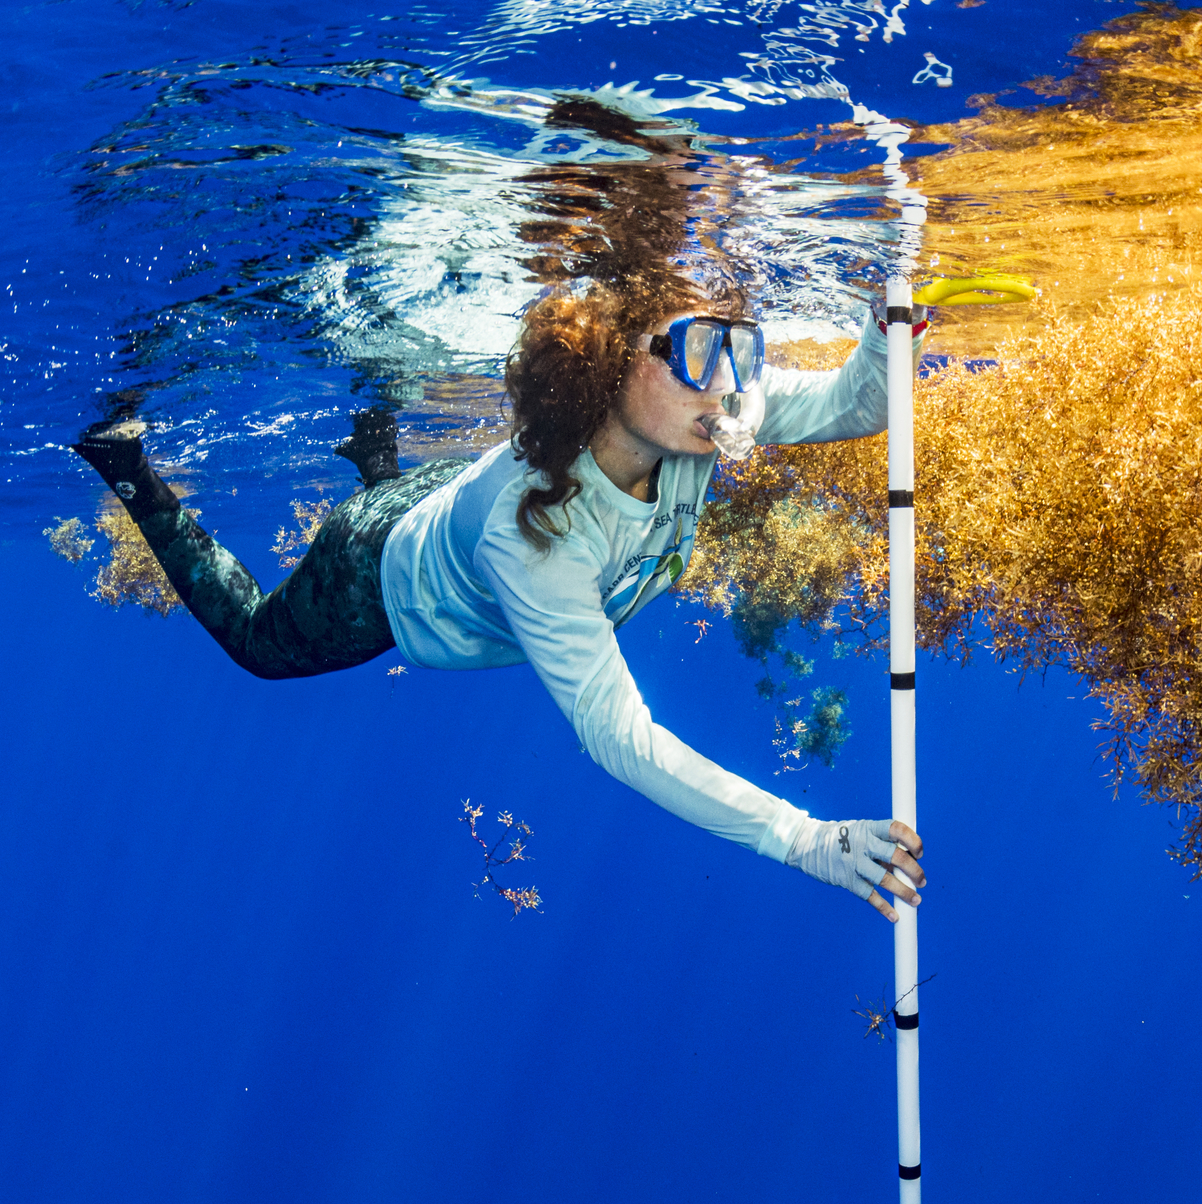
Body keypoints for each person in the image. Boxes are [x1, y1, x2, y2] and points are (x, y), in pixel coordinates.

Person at [69, 267, 928, 919]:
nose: (729, 381)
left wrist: (888, 337)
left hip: (449, 502)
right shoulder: (538, 539)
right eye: (702, 349)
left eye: (742, 349)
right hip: (382, 574)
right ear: (615, 360)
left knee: (416, 500)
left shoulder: (705, 412)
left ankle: (375, 453)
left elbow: (851, 405)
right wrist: (802, 839)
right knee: (262, 649)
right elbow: (621, 739)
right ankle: (128, 465)